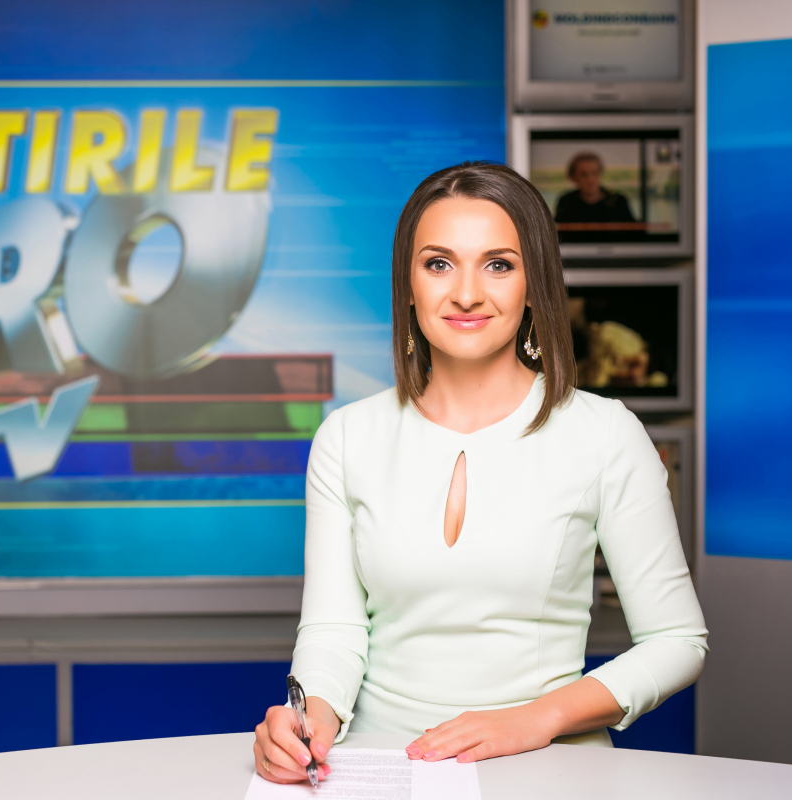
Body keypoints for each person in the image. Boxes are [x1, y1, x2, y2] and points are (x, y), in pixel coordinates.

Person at [252, 162, 706, 783]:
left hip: (547, 766)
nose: (466, 293)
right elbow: (334, 629)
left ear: (534, 284)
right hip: (379, 770)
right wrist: (309, 718)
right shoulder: (347, 436)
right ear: (408, 286)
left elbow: (677, 641)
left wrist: (535, 719)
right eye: (439, 263)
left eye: (498, 264)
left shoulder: (604, 433)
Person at [553, 152, 635, 225]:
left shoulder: (618, 201)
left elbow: (634, 231)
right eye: (583, 175)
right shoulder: (567, 202)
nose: (590, 180)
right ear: (573, 177)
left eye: (594, 173)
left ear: (600, 173)